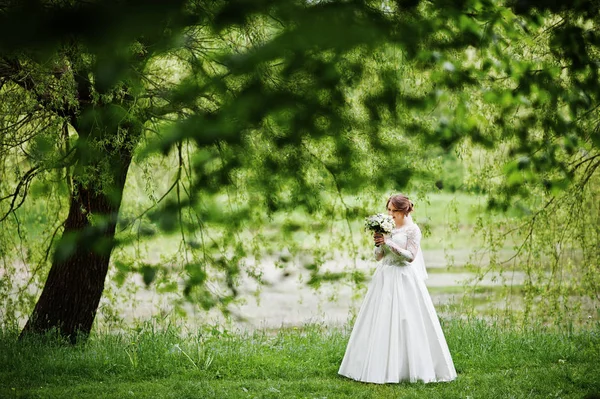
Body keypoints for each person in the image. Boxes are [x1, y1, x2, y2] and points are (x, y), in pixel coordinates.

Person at [338, 194, 457, 384]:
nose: (390, 214)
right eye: (389, 210)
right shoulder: (387, 226)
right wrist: (378, 244)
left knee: (407, 320)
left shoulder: (413, 230)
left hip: (404, 278)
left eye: (394, 211)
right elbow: (379, 257)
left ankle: (408, 368)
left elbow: (410, 257)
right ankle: (375, 366)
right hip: (384, 277)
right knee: (380, 319)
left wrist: (389, 243)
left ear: (404, 211)